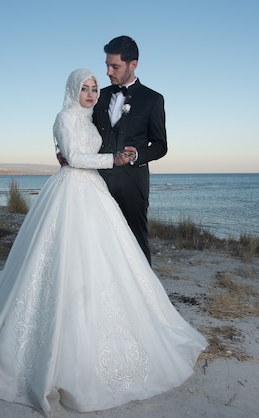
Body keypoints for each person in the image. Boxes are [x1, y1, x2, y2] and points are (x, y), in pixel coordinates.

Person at [0, 69, 206, 418]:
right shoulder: (64, 116)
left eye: (94, 88)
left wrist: (92, 154)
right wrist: (113, 159)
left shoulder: (90, 118)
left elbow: (78, 146)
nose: (91, 93)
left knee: (105, 259)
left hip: (94, 191)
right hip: (71, 190)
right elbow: (74, 158)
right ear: (73, 90)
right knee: (64, 258)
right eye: (85, 88)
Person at [93, 35, 167, 265]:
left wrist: (137, 155)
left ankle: (144, 297)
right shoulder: (98, 96)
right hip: (97, 181)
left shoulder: (153, 99)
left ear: (133, 64)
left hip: (133, 184)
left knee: (136, 241)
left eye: (115, 66)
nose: (108, 72)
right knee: (98, 240)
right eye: (107, 65)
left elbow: (161, 145)